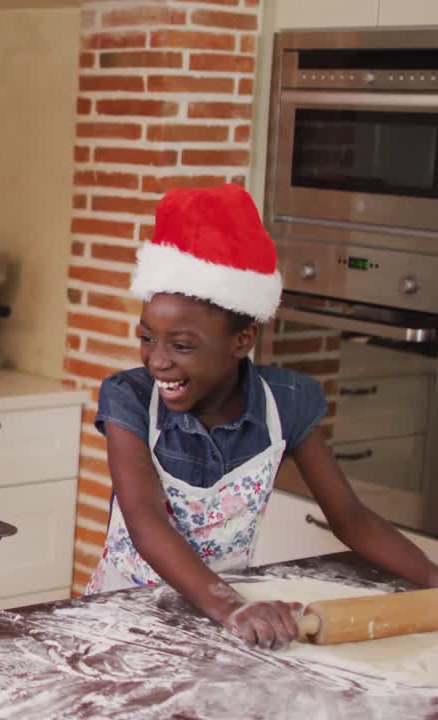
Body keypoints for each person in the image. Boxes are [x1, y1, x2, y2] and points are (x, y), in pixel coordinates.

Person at [87, 183, 438, 649]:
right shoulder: (130, 398)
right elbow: (146, 520)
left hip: (227, 625)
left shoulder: (287, 403)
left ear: (243, 339)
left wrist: (432, 578)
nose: (157, 361)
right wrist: (231, 607)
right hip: (124, 618)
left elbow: (351, 517)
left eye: (182, 345)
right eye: (147, 338)